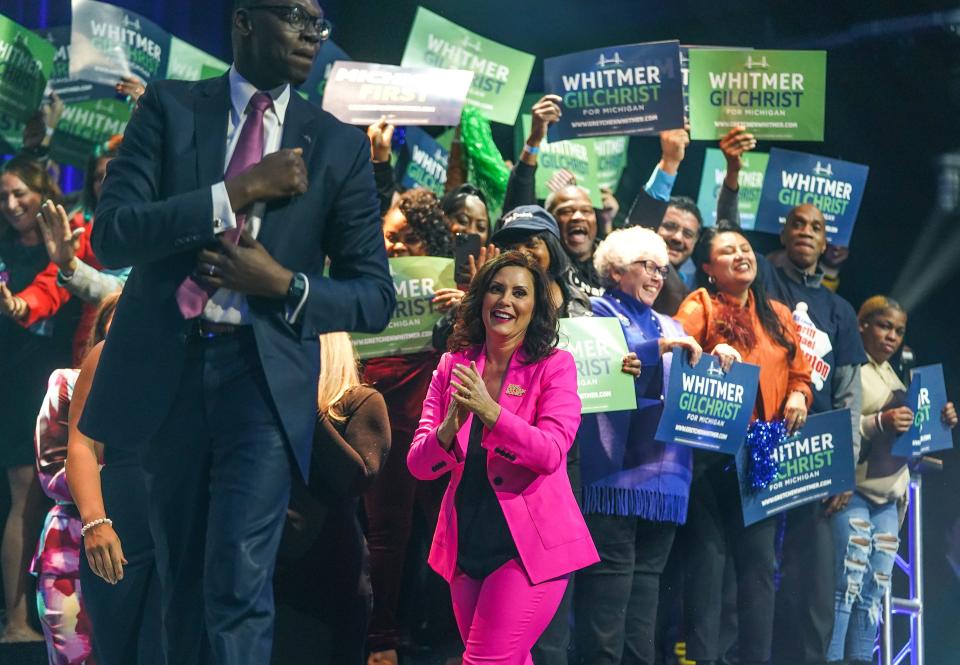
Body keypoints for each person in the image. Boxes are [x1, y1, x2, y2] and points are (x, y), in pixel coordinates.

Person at [75, 2, 395, 663]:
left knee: (239, 584)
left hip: (261, 383)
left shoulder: (336, 144)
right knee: (183, 585)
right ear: (246, 19)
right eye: (297, 17)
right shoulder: (169, 108)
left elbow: (375, 297)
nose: (314, 33)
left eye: (320, 21)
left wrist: (282, 282)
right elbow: (113, 236)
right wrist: (236, 190)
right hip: (167, 373)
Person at [407, 251, 599, 664]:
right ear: (480, 299)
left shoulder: (554, 366)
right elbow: (419, 465)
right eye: (496, 289)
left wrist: (491, 411)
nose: (505, 300)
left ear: (535, 307)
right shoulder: (451, 366)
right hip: (466, 543)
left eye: (519, 292)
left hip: (527, 547)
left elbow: (550, 453)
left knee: (484, 661)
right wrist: (447, 429)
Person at [674, 223, 813, 665]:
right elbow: (676, 347)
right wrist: (707, 353)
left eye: (746, 248)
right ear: (709, 268)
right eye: (727, 251)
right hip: (708, 454)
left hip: (762, 452)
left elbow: (801, 371)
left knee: (757, 569)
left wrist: (798, 394)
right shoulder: (701, 305)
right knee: (709, 564)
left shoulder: (777, 313)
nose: (741, 255)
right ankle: (703, 658)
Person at [573, 226, 702, 665]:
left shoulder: (674, 323)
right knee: (607, 602)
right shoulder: (593, 313)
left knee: (645, 606)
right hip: (614, 475)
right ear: (615, 269)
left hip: (665, 484)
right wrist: (659, 348)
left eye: (662, 269)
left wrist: (719, 362)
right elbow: (597, 371)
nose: (657, 276)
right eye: (648, 265)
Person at [826, 296, 957, 665]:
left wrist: (937, 422)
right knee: (845, 587)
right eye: (884, 326)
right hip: (853, 491)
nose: (892, 337)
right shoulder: (851, 369)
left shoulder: (896, 375)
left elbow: (912, 442)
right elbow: (842, 424)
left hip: (889, 498)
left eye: (898, 330)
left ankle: (860, 659)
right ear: (861, 326)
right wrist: (879, 422)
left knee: (874, 589)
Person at [363, 188, 452, 665]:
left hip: (434, 423)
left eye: (410, 238)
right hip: (381, 421)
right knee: (386, 533)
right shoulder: (361, 283)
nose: (397, 247)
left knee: (443, 533)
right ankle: (381, 641)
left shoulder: (449, 289)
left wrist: (461, 309)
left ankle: (447, 640)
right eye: (390, 237)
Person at [0, 155, 80, 645]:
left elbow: (53, 290)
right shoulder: (4, 248)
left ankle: (53, 620)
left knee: (53, 504)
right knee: (23, 500)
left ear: (42, 191)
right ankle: (15, 622)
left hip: (61, 385)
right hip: (14, 385)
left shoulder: (70, 241)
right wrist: (13, 305)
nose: (10, 205)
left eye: (18, 193)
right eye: (2, 198)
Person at [273, 332, 391, 665]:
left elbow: (356, 477)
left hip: (330, 575)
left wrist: (307, 411)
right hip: (272, 571)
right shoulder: (272, 409)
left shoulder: (360, 402)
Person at [66, 292, 162, 665]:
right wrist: (95, 522)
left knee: (168, 649)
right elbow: (81, 444)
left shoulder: (207, 347)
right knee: (116, 652)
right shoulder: (109, 353)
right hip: (122, 525)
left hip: (184, 516)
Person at [31, 295, 119, 664]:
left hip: (131, 543)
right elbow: (50, 467)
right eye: (118, 318)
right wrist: (113, 483)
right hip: (69, 545)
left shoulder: (152, 394)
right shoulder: (67, 383)